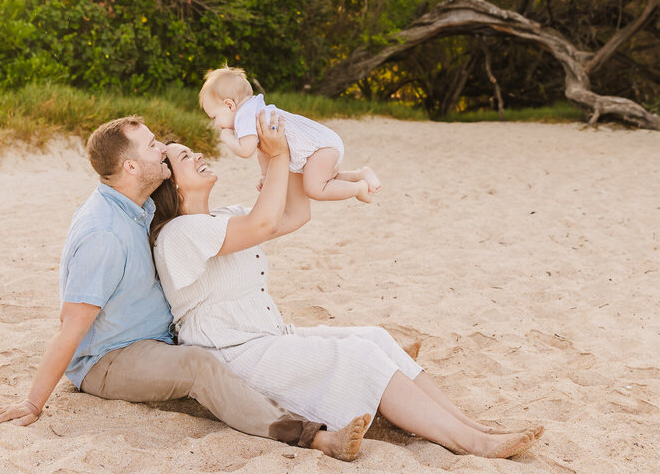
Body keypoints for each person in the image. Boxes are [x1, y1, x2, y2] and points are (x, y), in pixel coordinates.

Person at [149, 113, 543, 460]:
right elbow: (265, 223)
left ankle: (472, 426)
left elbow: (294, 214)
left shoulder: (224, 216)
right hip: (232, 355)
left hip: (266, 338)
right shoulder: (178, 234)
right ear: (171, 186)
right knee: (359, 357)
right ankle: (468, 443)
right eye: (186, 157)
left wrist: (275, 154)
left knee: (375, 337)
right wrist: (280, 157)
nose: (198, 156)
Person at [0, 114, 370, 461]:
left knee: (240, 348)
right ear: (131, 166)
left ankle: (362, 364)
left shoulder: (139, 204)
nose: (163, 148)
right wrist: (33, 403)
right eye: (153, 145)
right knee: (199, 366)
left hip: (160, 339)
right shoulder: (103, 231)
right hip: (112, 358)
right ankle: (313, 438)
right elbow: (71, 325)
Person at [199, 66, 381, 202]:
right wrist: (265, 175)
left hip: (319, 149)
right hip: (321, 145)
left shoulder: (245, 115)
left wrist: (228, 138)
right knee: (327, 180)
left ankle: (358, 188)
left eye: (214, 116)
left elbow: (246, 150)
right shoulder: (253, 110)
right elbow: (262, 149)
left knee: (315, 189)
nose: (216, 123)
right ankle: (360, 174)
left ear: (229, 105)